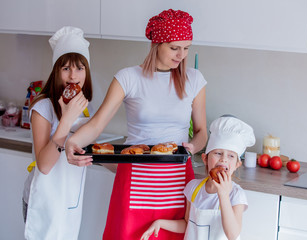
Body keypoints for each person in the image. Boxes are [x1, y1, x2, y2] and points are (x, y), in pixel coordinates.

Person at [65, 9, 207, 240]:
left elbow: (201, 132)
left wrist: (193, 146)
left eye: (186, 48)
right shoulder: (128, 77)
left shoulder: (195, 80)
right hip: (135, 178)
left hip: (177, 178)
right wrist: (73, 142)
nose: (181, 54)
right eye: (174, 47)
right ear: (156, 43)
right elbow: (97, 124)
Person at [22, 26, 93, 240]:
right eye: (65, 68)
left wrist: (125, 164)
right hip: (44, 201)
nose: (73, 75)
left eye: (80, 68)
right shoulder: (42, 107)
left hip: (69, 200)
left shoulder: (83, 106)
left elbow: (89, 150)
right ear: (56, 71)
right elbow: (43, 165)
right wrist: (67, 119)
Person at [141, 116, 255, 240]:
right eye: (218, 153)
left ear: (237, 165)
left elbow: (233, 235)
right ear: (205, 158)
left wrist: (223, 195)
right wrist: (160, 223)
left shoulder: (236, 195)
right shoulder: (194, 188)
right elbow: (188, 224)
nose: (224, 159)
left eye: (231, 156)